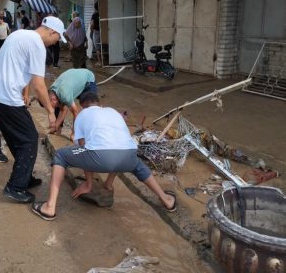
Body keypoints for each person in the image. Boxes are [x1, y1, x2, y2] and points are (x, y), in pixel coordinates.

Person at [31, 92, 177, 221]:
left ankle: (50, 207)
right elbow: (118, 143)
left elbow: (83, 146)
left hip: (101, 157)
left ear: (82, 106)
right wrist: (108, 182)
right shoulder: (113, 112)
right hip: (129, 154)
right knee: (137, 165)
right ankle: (166, 200)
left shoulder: (82, 114)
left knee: (61, 155)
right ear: (100, 104)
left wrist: (88, 184)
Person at [0, 16, 67, 203]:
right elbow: (39, 84)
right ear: (52, 31)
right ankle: (15, 187)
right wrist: (51, 111)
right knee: (29, 139)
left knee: (16, 139)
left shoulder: (18, 34)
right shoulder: (36, 44)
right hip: (7, 98)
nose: (55, 43)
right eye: (57, 38)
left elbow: (8, 69)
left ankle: (24, 177)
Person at [48, 68, 97, 138]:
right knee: (58, 107)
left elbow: (75, 112)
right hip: (76, 77)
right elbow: (63, 109)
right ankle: (57, 129)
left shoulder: (64, 95)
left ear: (53, 99)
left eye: (51, 106)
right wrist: (55, 127)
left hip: (88, 80)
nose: (51, 108)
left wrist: (74, 133)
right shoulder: (52, 89)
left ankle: (90, 133)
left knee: (89, 108)